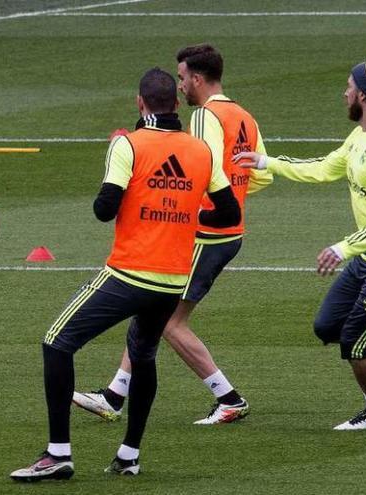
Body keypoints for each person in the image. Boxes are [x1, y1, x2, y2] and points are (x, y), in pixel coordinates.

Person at [10, 68, 240, 481]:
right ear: (175, 103)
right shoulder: (201, 151)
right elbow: (229, 212)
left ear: (140, 103)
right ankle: (129, 455)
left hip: (130, 274)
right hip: (172, 279)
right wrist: (186, 214)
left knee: (56, 343)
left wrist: (116, 162)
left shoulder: (128, 146)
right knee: (144, 355)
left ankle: (58, 453)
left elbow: (103, 209)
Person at [73, 44, 273, 425]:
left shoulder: (204, 117)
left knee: (165, 320)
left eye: (182, 78)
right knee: (152, 309)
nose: (179, 87)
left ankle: (228, 397)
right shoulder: (242, 115)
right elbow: (259, 174)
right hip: (230, 230)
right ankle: (115, 395)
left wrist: (177, 206)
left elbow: (197, 166)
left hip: (205, 233)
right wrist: (233, 196)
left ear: (197, 78)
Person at [236, 61, 366, 430]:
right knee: (329, 327)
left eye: (348, 86)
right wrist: (268, 162)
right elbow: (325, 167)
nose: (343, 93)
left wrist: (345, 247)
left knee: (354, 343)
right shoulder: (360, 135)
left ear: (362, 94)